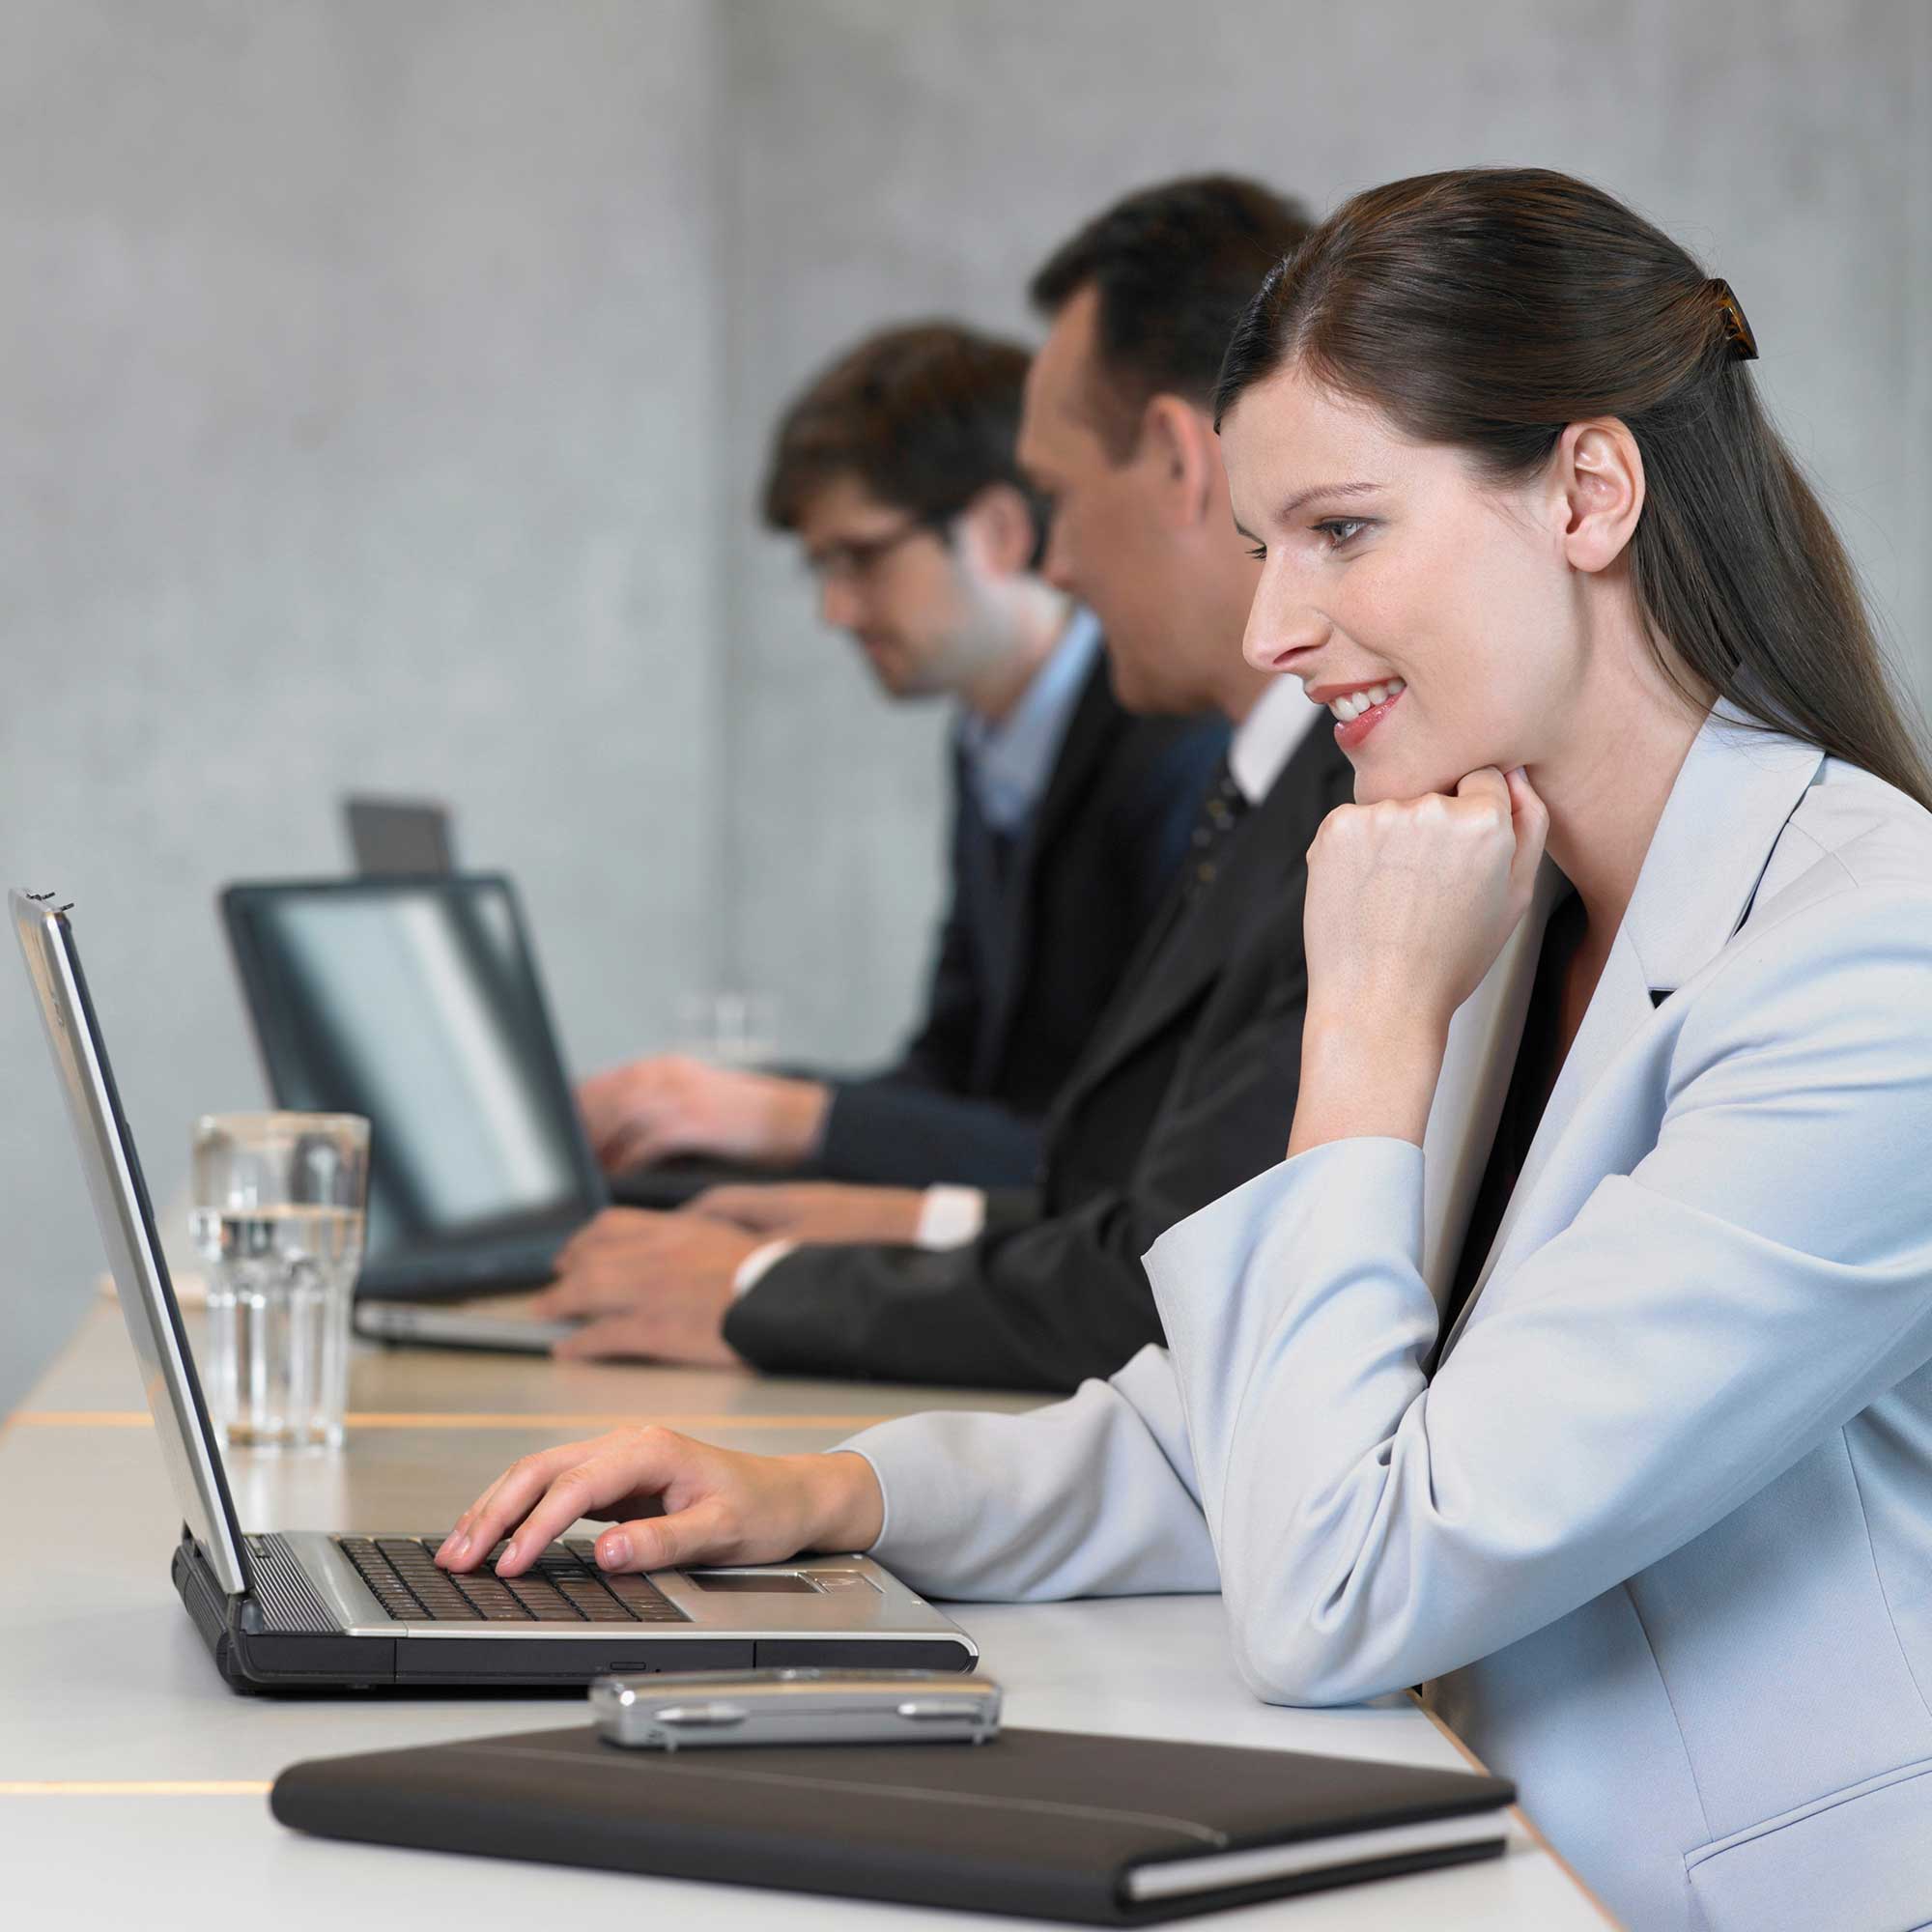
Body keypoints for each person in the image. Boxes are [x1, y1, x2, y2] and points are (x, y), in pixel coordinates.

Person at [441, 169, 1932, 1930]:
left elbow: (1350, 1581)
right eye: (1257, 547)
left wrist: (1370, 1035)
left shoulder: (1868, 968)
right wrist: (821, 1492)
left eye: (1344, 531)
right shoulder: (1515, 888)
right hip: (1474, 1839)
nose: (1269, 632)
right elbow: (1241, 1429)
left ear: (1590, 492)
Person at [529, 177, 1351, 1387]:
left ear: (1179, 463)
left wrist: (773, 1273)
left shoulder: (1291, 791)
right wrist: (856, 1220)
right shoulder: (1220, 772)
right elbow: (1100, 1186)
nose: (1061, 559)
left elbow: (1158, 1266)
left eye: (1059, 498)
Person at [582, 323, 1223, 1194]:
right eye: (820, 570)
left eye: (860, 559)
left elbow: (1126, 1161)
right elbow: (953, 1074)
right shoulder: (989, 746)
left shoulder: (1177, 751)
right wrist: (709, 1112)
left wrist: (781, 1117)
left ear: (999, 530)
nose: (835, 611)